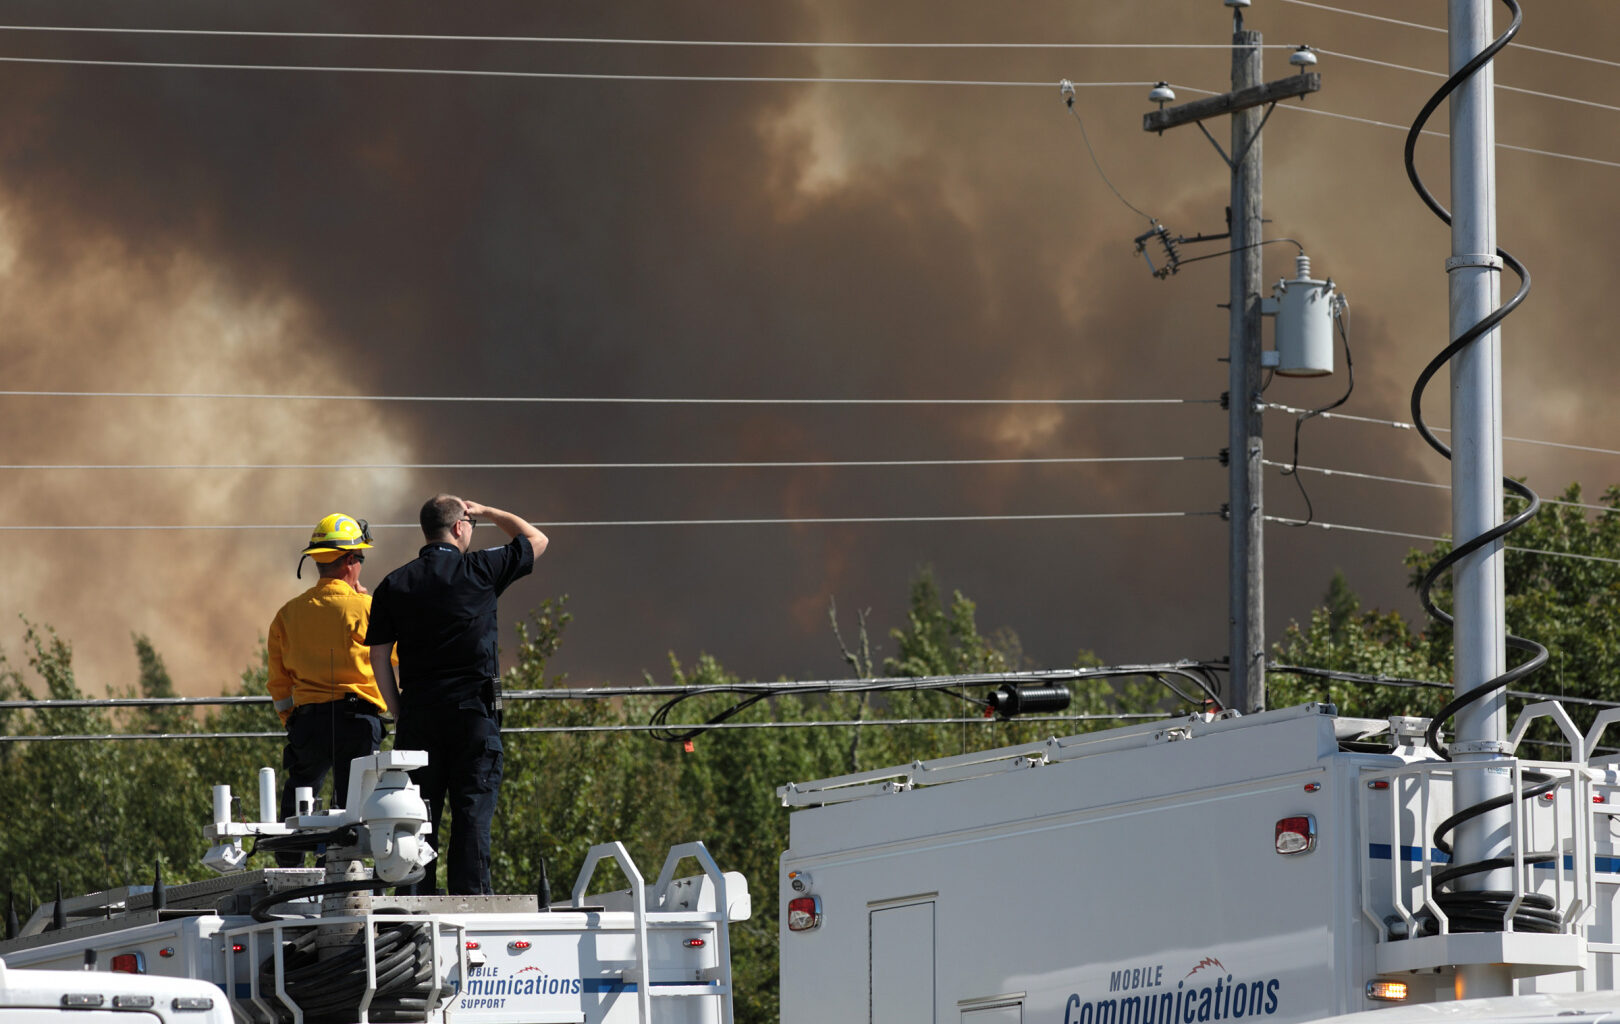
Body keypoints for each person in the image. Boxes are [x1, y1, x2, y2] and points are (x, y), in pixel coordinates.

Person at [365, 495, 547, 895]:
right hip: (473, 718)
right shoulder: (480, 568)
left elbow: (379, 656)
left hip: (419, 719)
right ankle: (471, 913)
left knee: (415, 823)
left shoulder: (394, 584)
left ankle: (410, 920)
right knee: (471, 821)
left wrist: (399, 711)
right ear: (460, 528)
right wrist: (489, 511)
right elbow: (537, 539)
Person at [267, 513, 394, 867]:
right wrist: (370, 608)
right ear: (350, 562)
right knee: (351, 812)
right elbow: (396, 655)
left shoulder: (287, 615)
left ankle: (288, 873)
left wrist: (292, 720)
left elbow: (278, 683)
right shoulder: (366, 608)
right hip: (357, 721)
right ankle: (342, 878)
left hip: (307, 723)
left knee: (297, 808)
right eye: (360, 558)